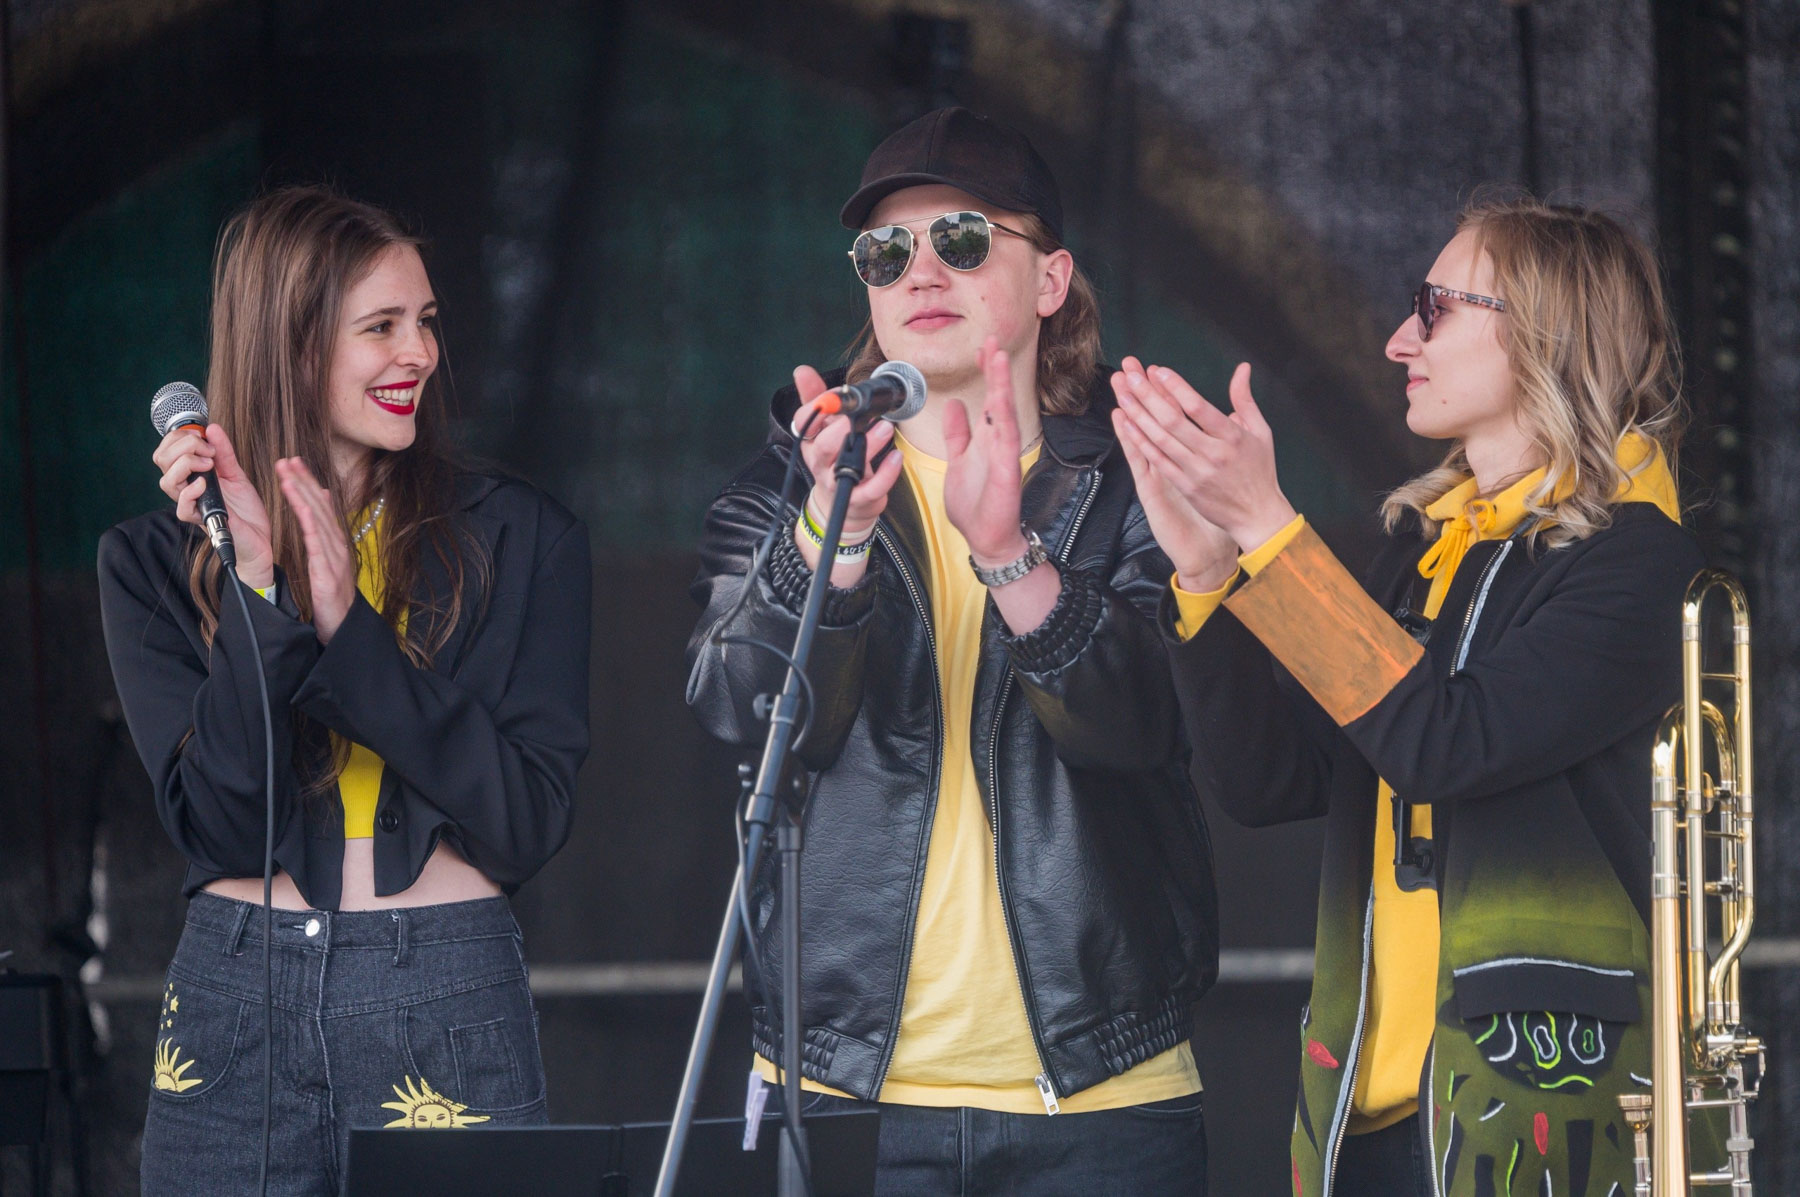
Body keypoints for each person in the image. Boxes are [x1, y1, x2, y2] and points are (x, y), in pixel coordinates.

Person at [1111, 198, 1703, 1196]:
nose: (1398, 340)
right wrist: (1210, 568)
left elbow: (1447, 744)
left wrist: (1269, 525)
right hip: (1368, 1109)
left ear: (1543, 329)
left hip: (1536, 1115)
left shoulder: (1639, 562)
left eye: (1435, 309)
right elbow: (1271, 779)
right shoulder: (1425, 549)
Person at [685, 107, 1217, 1193]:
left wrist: (1010, 556)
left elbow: (1145, 724)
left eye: (963, 239)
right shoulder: (786, 489)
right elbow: (741, 708)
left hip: (1102, 1094)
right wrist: (835, 540)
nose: (920, 269)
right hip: (842, 1094)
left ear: (1052, 279)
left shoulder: (1137, 485)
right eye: (886, 251)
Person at [98, 186, 591, 1195]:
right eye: (382, 327)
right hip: (235, 994)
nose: (421, 354)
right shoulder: (150, 562)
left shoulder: (523, 537)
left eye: (427, 321)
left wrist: (347, 630)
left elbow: (525, 822)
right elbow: (222, 827)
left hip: (443, 979)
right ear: (290, 346)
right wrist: (257, 591)